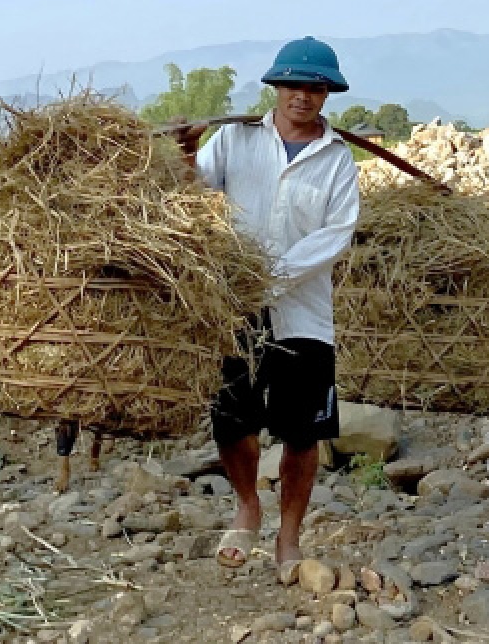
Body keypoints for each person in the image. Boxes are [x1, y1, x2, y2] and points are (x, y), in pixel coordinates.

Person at [173, 36, 361, 583]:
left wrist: (271, 274)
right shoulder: (235, 140)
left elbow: (335, 234)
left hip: (303, 313)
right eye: (293, 84)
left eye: (315, 86)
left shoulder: (337, 161)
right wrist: (186, 154)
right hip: (234, 309)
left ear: (327, 94)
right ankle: (247, 505)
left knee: (303, 433)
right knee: (232, 420)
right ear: (275, 88)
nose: (302, 95)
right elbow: (193, 193)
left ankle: (289, 535)